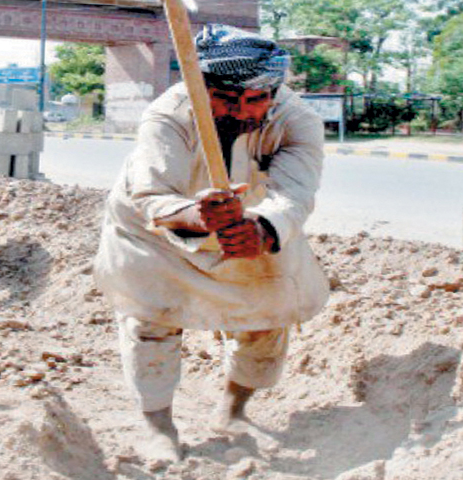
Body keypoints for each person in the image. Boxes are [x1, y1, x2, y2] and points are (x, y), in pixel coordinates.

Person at [94, 24, 328, 461]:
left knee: (269, 310)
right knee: (150, 318)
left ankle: (234, 408)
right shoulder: (168, 114)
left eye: (255, 99)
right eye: (224, 98)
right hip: (156, 231)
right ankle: (157, 424)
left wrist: (260, 231)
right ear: (200, 89)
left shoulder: (297, 121)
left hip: (249, 225)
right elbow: (152, 195)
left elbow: (294, 195)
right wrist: (196, 216)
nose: (241, 111)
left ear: (273, 92)